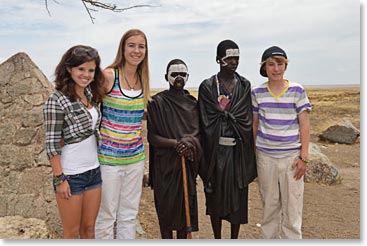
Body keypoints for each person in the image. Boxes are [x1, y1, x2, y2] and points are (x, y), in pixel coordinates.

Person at [43, 45, 105, 238]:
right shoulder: (57, 99)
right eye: (81, 69)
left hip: (94, 171)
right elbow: (52, 144)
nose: (86, 74)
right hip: (71, 175)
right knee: (71, 233)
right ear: (69, 69)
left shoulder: (88, 95)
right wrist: (60, 179)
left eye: (91, 70)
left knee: (89, 230)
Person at [198, 40, 257, 239]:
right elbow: (206, 120)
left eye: (236, 58)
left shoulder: (244, 85)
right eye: (229, 58)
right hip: (216, 154)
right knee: (215, 198)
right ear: (218, 59)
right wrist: (224, 117)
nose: (233, 62)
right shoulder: (207, 87)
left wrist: (228, 116)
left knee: (238, 199)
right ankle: (217, 239)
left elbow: (246, 119)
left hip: (237, 153)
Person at [95, 29, 150, 239]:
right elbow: (90, 107)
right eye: (132, 45)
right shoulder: (109, 76)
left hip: (135, 159)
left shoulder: (142, 79)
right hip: (109, 160)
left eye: (141, 46)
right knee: (107, 215)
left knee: (129, 215)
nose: (136, 50)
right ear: (123, 48)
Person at [251, 46, 312, 239]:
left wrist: (304, 157)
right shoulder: (257, 92)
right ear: (264, 67)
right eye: (271, 64)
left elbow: (304, 124)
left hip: (291, 159)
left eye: (280, 64)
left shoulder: (297, 90)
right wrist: (255, 155)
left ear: (285, 66)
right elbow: (255, 125)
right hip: (265, 158)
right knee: (269, 208)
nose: (276, 69)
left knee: (292, 210)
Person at [147, 59, 202, 239]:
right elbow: (152, 137)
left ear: (187, 77)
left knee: (184, 216)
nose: (179, 77)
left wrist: (189, 144)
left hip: (186, 165)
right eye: (174, 74)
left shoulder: (193, 104)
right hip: (165, 168)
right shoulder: (157, 102)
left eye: (183, 74)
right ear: (166, 77)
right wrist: (175, 143)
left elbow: (198, 134)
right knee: (165, 214)